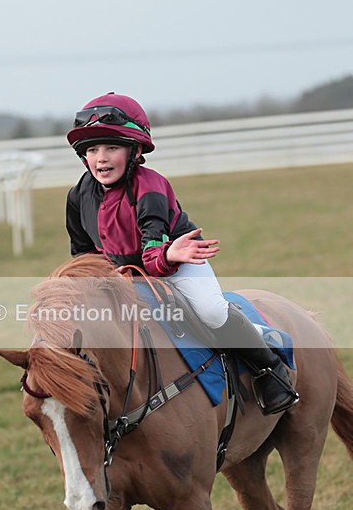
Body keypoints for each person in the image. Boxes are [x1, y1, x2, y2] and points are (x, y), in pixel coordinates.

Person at [65, 92, 299, 415]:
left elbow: (152, 257)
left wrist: (168, 255)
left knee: (211, 312)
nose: (101, 158)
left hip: (179, 260)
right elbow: (83, 255)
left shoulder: (150, 187)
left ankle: (270, 366)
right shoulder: (78, 196)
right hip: (129, 274)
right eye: (92, 150)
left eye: (111, 148)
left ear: (134, 151)